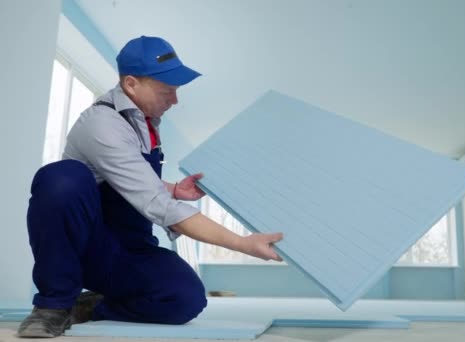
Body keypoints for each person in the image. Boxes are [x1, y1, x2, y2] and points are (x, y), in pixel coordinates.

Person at [17, 36, 283, 338]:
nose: (175, 99)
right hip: (87, 247)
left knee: (185, 297)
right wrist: (243, 243)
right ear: (131, 84)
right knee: (61, 179)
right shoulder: (102, 124)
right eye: (166, 91)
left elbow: (128, 177)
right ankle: (53, 304)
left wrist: (172, 188)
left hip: (127, 247)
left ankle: (92, 306)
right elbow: (157, 205)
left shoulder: (147, 120)